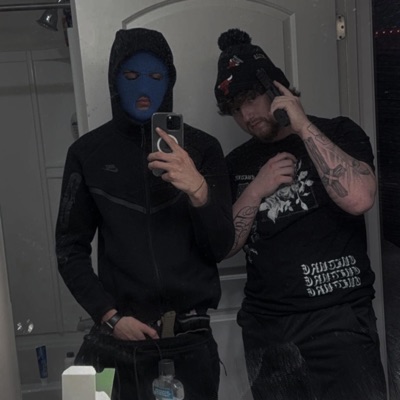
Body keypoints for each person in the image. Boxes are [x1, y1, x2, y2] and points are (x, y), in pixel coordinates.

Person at [55, 27, 234, 400]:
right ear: (114, 80)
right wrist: (109, 317)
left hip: (190, 342)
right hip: (122, 343)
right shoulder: (88, 154)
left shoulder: (203, 149)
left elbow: (220, 247)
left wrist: (198, 189)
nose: (143, 88)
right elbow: (69, 249)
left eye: (155, 77)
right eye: (131, 75)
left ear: (169, 82)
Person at [214, 28, 387, 400]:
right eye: (235, 108)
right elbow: (224, 246)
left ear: (276, 87)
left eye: (251, 98)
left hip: (340, 320)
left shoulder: (339, 132)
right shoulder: (236, 163)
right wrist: (256, 189)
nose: (246, 115)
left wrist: (303, 125)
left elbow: (360, 198)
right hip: (268, 329)